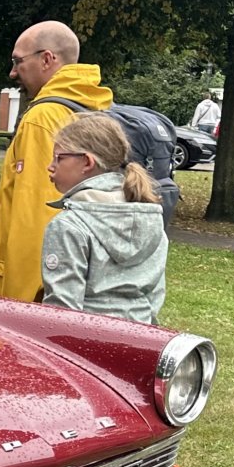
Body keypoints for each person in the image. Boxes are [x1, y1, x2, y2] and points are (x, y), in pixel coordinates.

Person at [0, 20, 113, 303]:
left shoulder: (43, 118)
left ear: (47, 59)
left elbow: (36, 218)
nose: (13, 72)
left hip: (33, 297)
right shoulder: (91, 106)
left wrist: (17, 310)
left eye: (18, 61)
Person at [41, 114, 166, 324]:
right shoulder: (150, 216)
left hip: (84, 344)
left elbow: (61, 310)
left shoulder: (69, 225)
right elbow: (155, 295)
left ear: (87, 162)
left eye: (59, 158)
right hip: (140, 339)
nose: (51, 166)